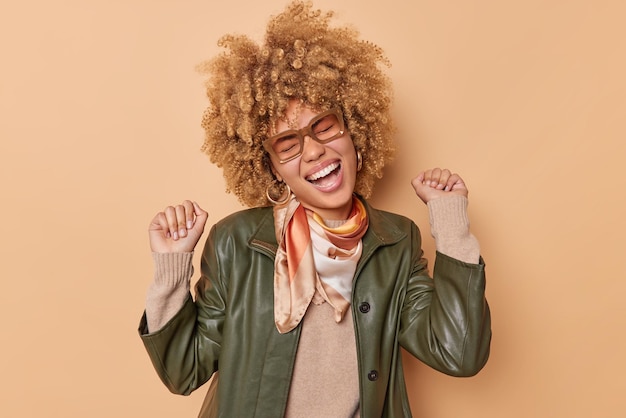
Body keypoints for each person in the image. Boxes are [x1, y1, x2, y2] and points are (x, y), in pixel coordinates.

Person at [138, 1, 491, 417]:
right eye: (287, 145)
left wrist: (451, 226)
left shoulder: (396, 241)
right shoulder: (235, 242)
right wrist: (171, 268)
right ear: (270, 167)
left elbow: (458, 353)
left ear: (355, 129)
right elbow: (184, 371)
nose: (313, 151)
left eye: (323, 126)